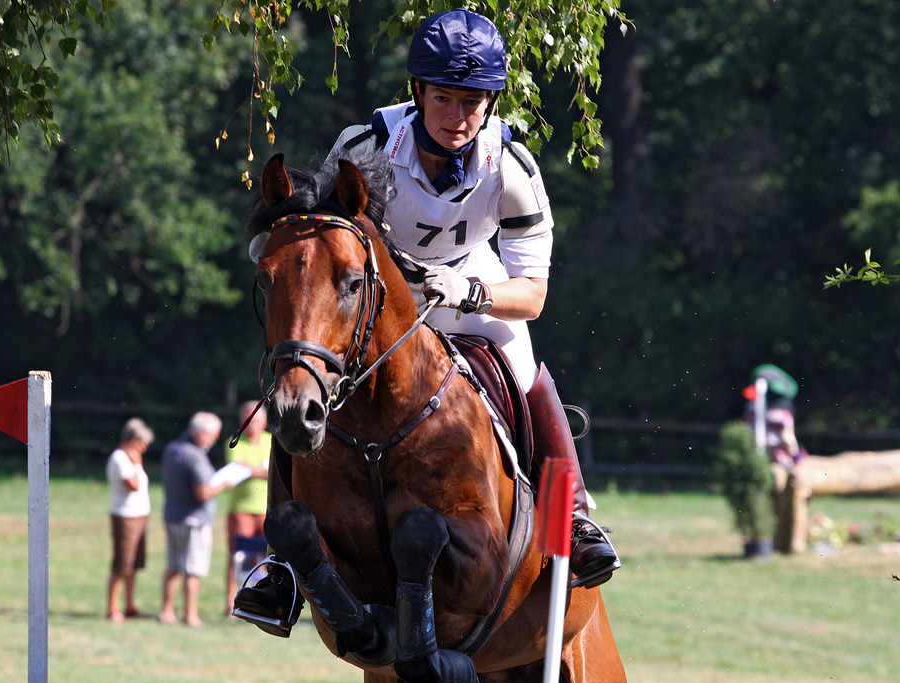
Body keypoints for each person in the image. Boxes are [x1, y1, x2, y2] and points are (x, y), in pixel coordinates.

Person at [235, 8, 619, 634]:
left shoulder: (512, 169)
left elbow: (534, 294)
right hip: (377, 304)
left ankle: (573, 517)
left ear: (490, 104)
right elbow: (321, 234)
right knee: (301, 383)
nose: (458, 115)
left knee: (528, 372)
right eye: (444, 98)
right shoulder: (366, 146)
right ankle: (282, 564)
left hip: (473, 291)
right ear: (419, 92)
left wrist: (469, 291)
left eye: (473, 101)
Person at [159, 411, 234, 627]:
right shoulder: (195, 455)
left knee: (172, 566)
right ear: (201, 433)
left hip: (173, 515)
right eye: (212, 436)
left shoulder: (172, 448)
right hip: (194, 520)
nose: (213, 441)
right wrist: (224, 483)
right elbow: (203, 492)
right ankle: (190, 615)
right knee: (192, 569)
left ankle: (167, 611)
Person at [106, 417, 155, 622]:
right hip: (125, 517)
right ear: (132, 439)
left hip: (139, 516)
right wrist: (136, 463)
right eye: (141, 443)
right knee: (121, 564)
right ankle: (112, 608)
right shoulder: (120, 458)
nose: (143, 448)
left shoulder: (132, 459)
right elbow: (133, 485)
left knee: (133, 564)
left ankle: (130, 605)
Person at [225, 400, 271, 615]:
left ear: (264, 422)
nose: (251, 424)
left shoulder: (272, 441)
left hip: (266, 509)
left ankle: (261, 603)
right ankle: (232, 604)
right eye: (247, 420)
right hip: (241, 509)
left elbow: (271, 471)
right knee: (238, 557)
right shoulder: (235, 442)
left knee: (265, 558)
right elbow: (236, 470)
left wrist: (249, 469)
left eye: (255, 419)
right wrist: (261, 468)